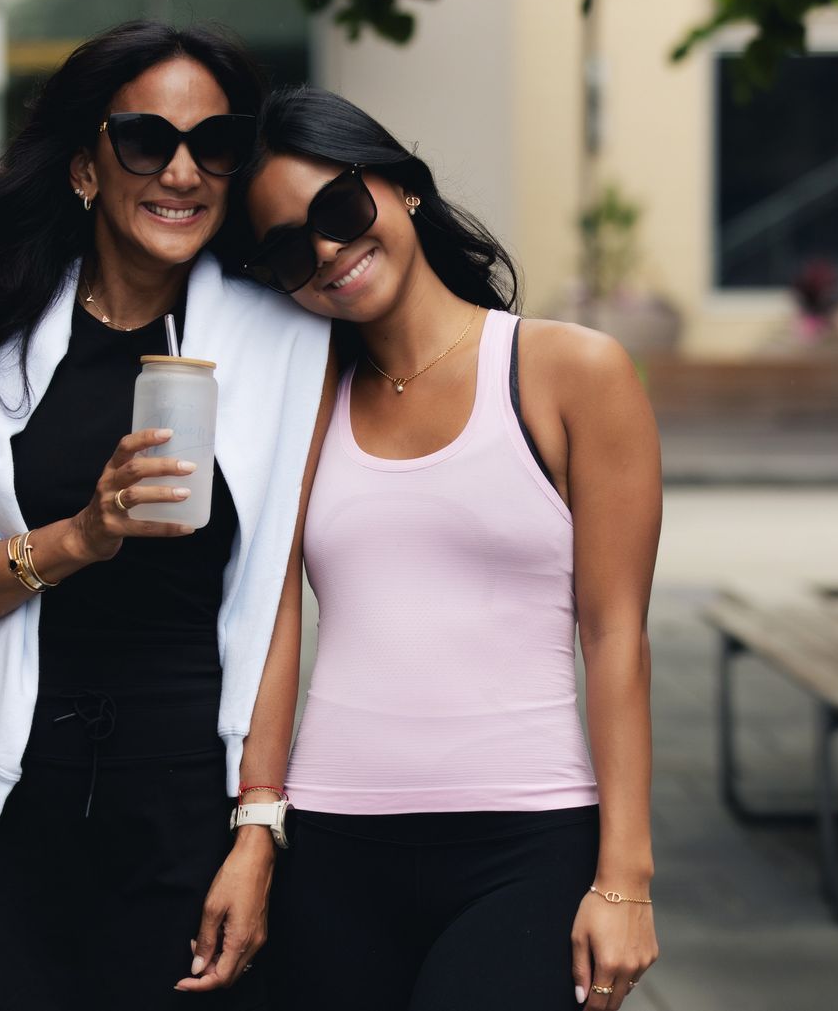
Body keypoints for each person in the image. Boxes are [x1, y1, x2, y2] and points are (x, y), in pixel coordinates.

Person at [0, 22, 331, 1009]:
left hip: (186, 795)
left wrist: (260, 830)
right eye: (145, 141)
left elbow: (277, 599)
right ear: (86, 165)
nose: (182, 170)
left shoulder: (284, 341)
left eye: (213, 146)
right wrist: (78, 538)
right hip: (2, 787)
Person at [224, 86, 661, 1011]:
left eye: (339, 209)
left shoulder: (571, 370)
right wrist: (257, 824)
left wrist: (624, 880)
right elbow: (273, 609)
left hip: (526, 845)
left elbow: (617, 635)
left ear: (403, 186)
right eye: (289, 248)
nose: (329, 251)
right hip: (333, 842)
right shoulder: (308, 393)